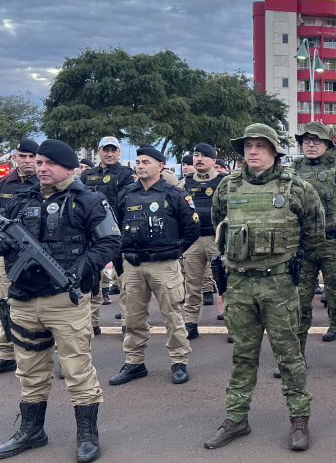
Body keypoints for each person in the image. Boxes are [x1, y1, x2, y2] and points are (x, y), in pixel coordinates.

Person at [0, 139, 121, 463]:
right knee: (29, 370)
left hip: (64, 301)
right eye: (38, 163)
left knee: (76, 369)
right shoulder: (20, 199)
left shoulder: (89, 199)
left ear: (68, 167)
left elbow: (110, 240)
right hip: (24, 299)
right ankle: (31, 431)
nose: (41, 168)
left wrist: (79, 268)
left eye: (48, 163)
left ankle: (87, 435)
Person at [204, 123, 323, 451]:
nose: (252, 151)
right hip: (240, 285)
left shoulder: (296, 188)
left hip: (280, 284)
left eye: (259, 146)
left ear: (274, 151)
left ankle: (299, 419)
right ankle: (236, 418)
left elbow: (315, 235)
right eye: (247, 146)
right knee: (243, 354)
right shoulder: (228, 187)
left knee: (289, 355)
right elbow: (220, 226)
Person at [109, 144, 199, 387]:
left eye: (146, 162)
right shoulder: (126, 194)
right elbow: (117, 228)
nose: (140, 166)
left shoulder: (174, 194)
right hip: (133, 266)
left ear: (160, 166)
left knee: (172, 317)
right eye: (138, 162)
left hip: (164, 265)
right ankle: (135, 362)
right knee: (133, 318)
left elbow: (191, 229)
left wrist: (174, 251)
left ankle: (179, 362)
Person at [290, 122, 336, 378]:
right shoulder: (293, 170)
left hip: (334, 245)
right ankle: (297, 357)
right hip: (302, 248)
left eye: (316, 140)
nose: (311, 145)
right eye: (307, 140)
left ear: (327, 144)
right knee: (299, 304)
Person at [81, 137, 137, 322]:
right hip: (91, 234)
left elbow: (128, 204)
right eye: (106, 150)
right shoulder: (87, 175)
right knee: (91, 280)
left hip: (116, 232)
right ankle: (92, 323)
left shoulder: (126, 174)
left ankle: (126, 324)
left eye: (114, 150)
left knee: (124, 282)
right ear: (99, 151)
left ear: (119, 152)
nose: (110, 153)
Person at [177, 144, 225, 340]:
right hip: (193, 241)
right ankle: (190, 323)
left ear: (214, 161)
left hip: (217, 239)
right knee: (192, 285)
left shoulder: (225, 182)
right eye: (196, 155)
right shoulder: (184, 183)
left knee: (226, 284)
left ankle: (232, 321)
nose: (199, 159)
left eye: (205, 156)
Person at [0, 139, 40, 373]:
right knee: (6, 303)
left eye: (31, 157)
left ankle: (55, 354)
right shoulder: (5, 184)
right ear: (14, 157)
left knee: (45, 305)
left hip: (36, 254)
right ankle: (6, 354)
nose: (27, 161)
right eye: (22, 156)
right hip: (7, 256)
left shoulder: (45, 184)